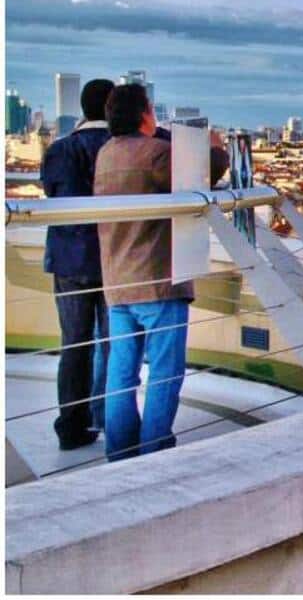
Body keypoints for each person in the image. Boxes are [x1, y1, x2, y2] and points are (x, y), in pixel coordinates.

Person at [94, 83, 229, 461]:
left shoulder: (106, 153)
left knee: (121, 375)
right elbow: (204, 173)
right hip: (157, 280)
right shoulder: (154, 153)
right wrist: (216, 145)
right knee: (165, 373)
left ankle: (119, 452)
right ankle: (155, 451)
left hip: (117, 281)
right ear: (144, 114)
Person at [40, 78, 115, 449]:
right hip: (114, 258)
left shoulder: (59, 149)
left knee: (74, 345)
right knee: (115, 344)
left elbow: (51, 193)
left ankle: (71, 426)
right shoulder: (120, 148)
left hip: (69, 260)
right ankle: (109, 419)